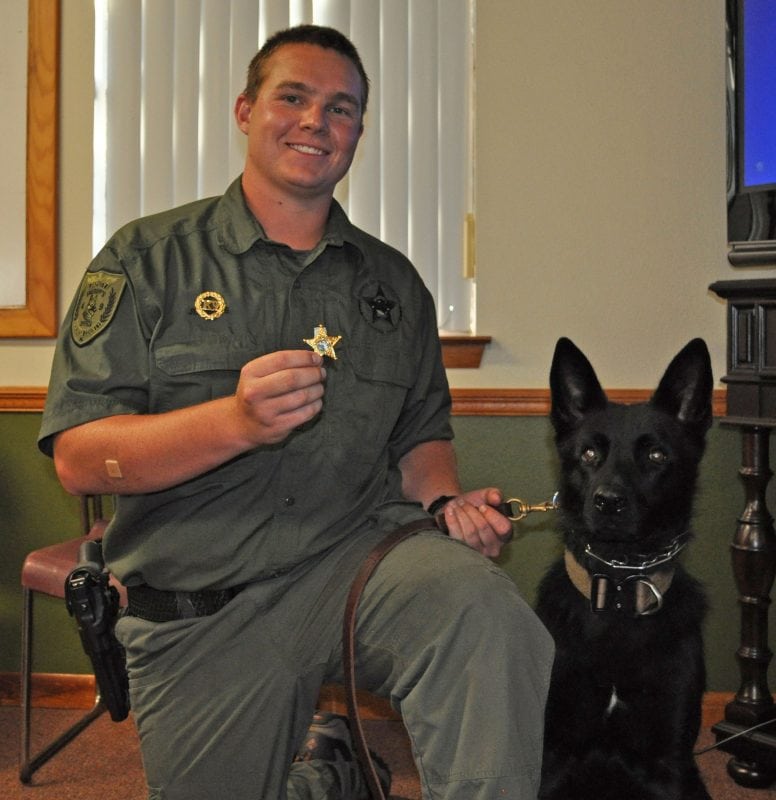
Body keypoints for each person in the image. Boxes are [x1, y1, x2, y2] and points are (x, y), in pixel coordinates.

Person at [39, 24, 553, 800]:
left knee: (484, 616)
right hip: (198, 605)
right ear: (246, 111)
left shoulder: (393, 286)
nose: (317, 121)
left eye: (341, 109)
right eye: (294, 97)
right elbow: (79, 457)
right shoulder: (145, 262)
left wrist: (446, 501)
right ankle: (331, 775)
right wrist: (235, 423)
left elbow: (421, 437)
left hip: (354, 570)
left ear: (357, 134)